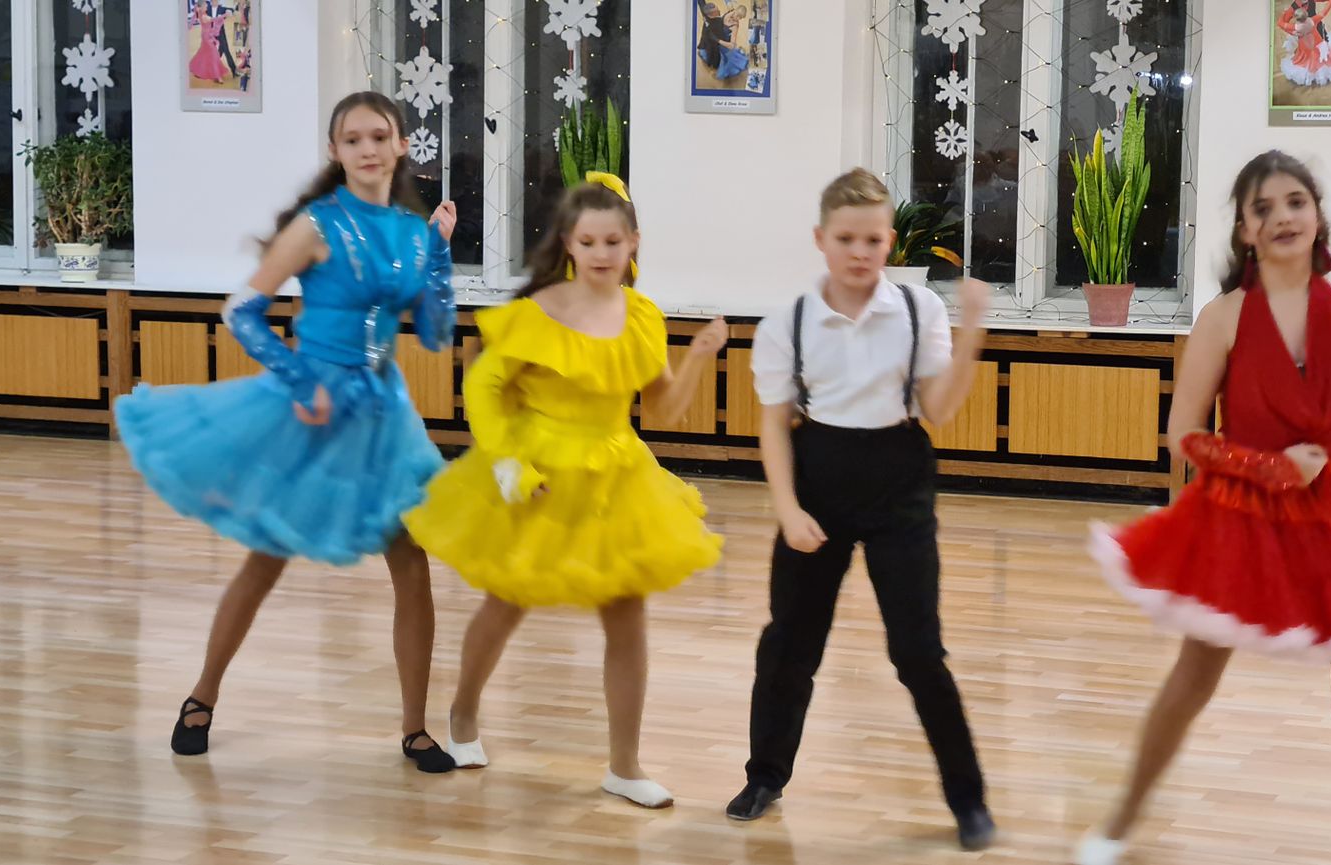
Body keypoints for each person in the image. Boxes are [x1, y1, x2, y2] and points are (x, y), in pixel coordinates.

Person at [1073, 150, 1331, 865]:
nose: (1282, 217)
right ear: (1244, 229)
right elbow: (1184, 434)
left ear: (1317, 216)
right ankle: (1119, 822)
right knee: (1195, 671)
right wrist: (1271, 468)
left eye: (1295, 202)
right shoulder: (1222, 318)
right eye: (1263, 207)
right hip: (1243, 509)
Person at [115, 91, 460, 773]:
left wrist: (440, 254)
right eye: (353, 139)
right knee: (266, 557)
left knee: (411, 561)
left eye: (379, 136)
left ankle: (415, 729)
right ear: (336, 151)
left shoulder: (410, 232)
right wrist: (302, 382)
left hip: (381, 416)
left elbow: (434, 331)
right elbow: (240, 311)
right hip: (310, 407)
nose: (367, 149)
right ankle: (201, 696)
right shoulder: (316, 225)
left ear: (401, 145)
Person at [403, 173, 727, 808]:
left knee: (627, 615)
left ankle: (624, 765)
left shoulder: (642, 316)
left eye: (613, 241)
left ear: (633, 243)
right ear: (569, 245)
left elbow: (665, 408)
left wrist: (700, 356)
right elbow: (483, 388)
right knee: (508, 601)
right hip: (540, 473)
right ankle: (463, 712)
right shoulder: (539, 312)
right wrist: (507, 463)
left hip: (615, 475)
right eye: (589, 241)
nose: (602, 253)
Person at [727, 168, 997, 851]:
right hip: (818, 479)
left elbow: (939, 410)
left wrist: (971, 331)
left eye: (873, 239)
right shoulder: (789, 321)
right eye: (846, 238)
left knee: (918, 651)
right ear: (821, 239)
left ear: (889, 241)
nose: (859, 252)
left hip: (899, 480)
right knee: (790, 643)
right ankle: (765, 776)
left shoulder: (916, 309)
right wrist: (787, 509)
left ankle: (968, 800)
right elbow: (774, 425)